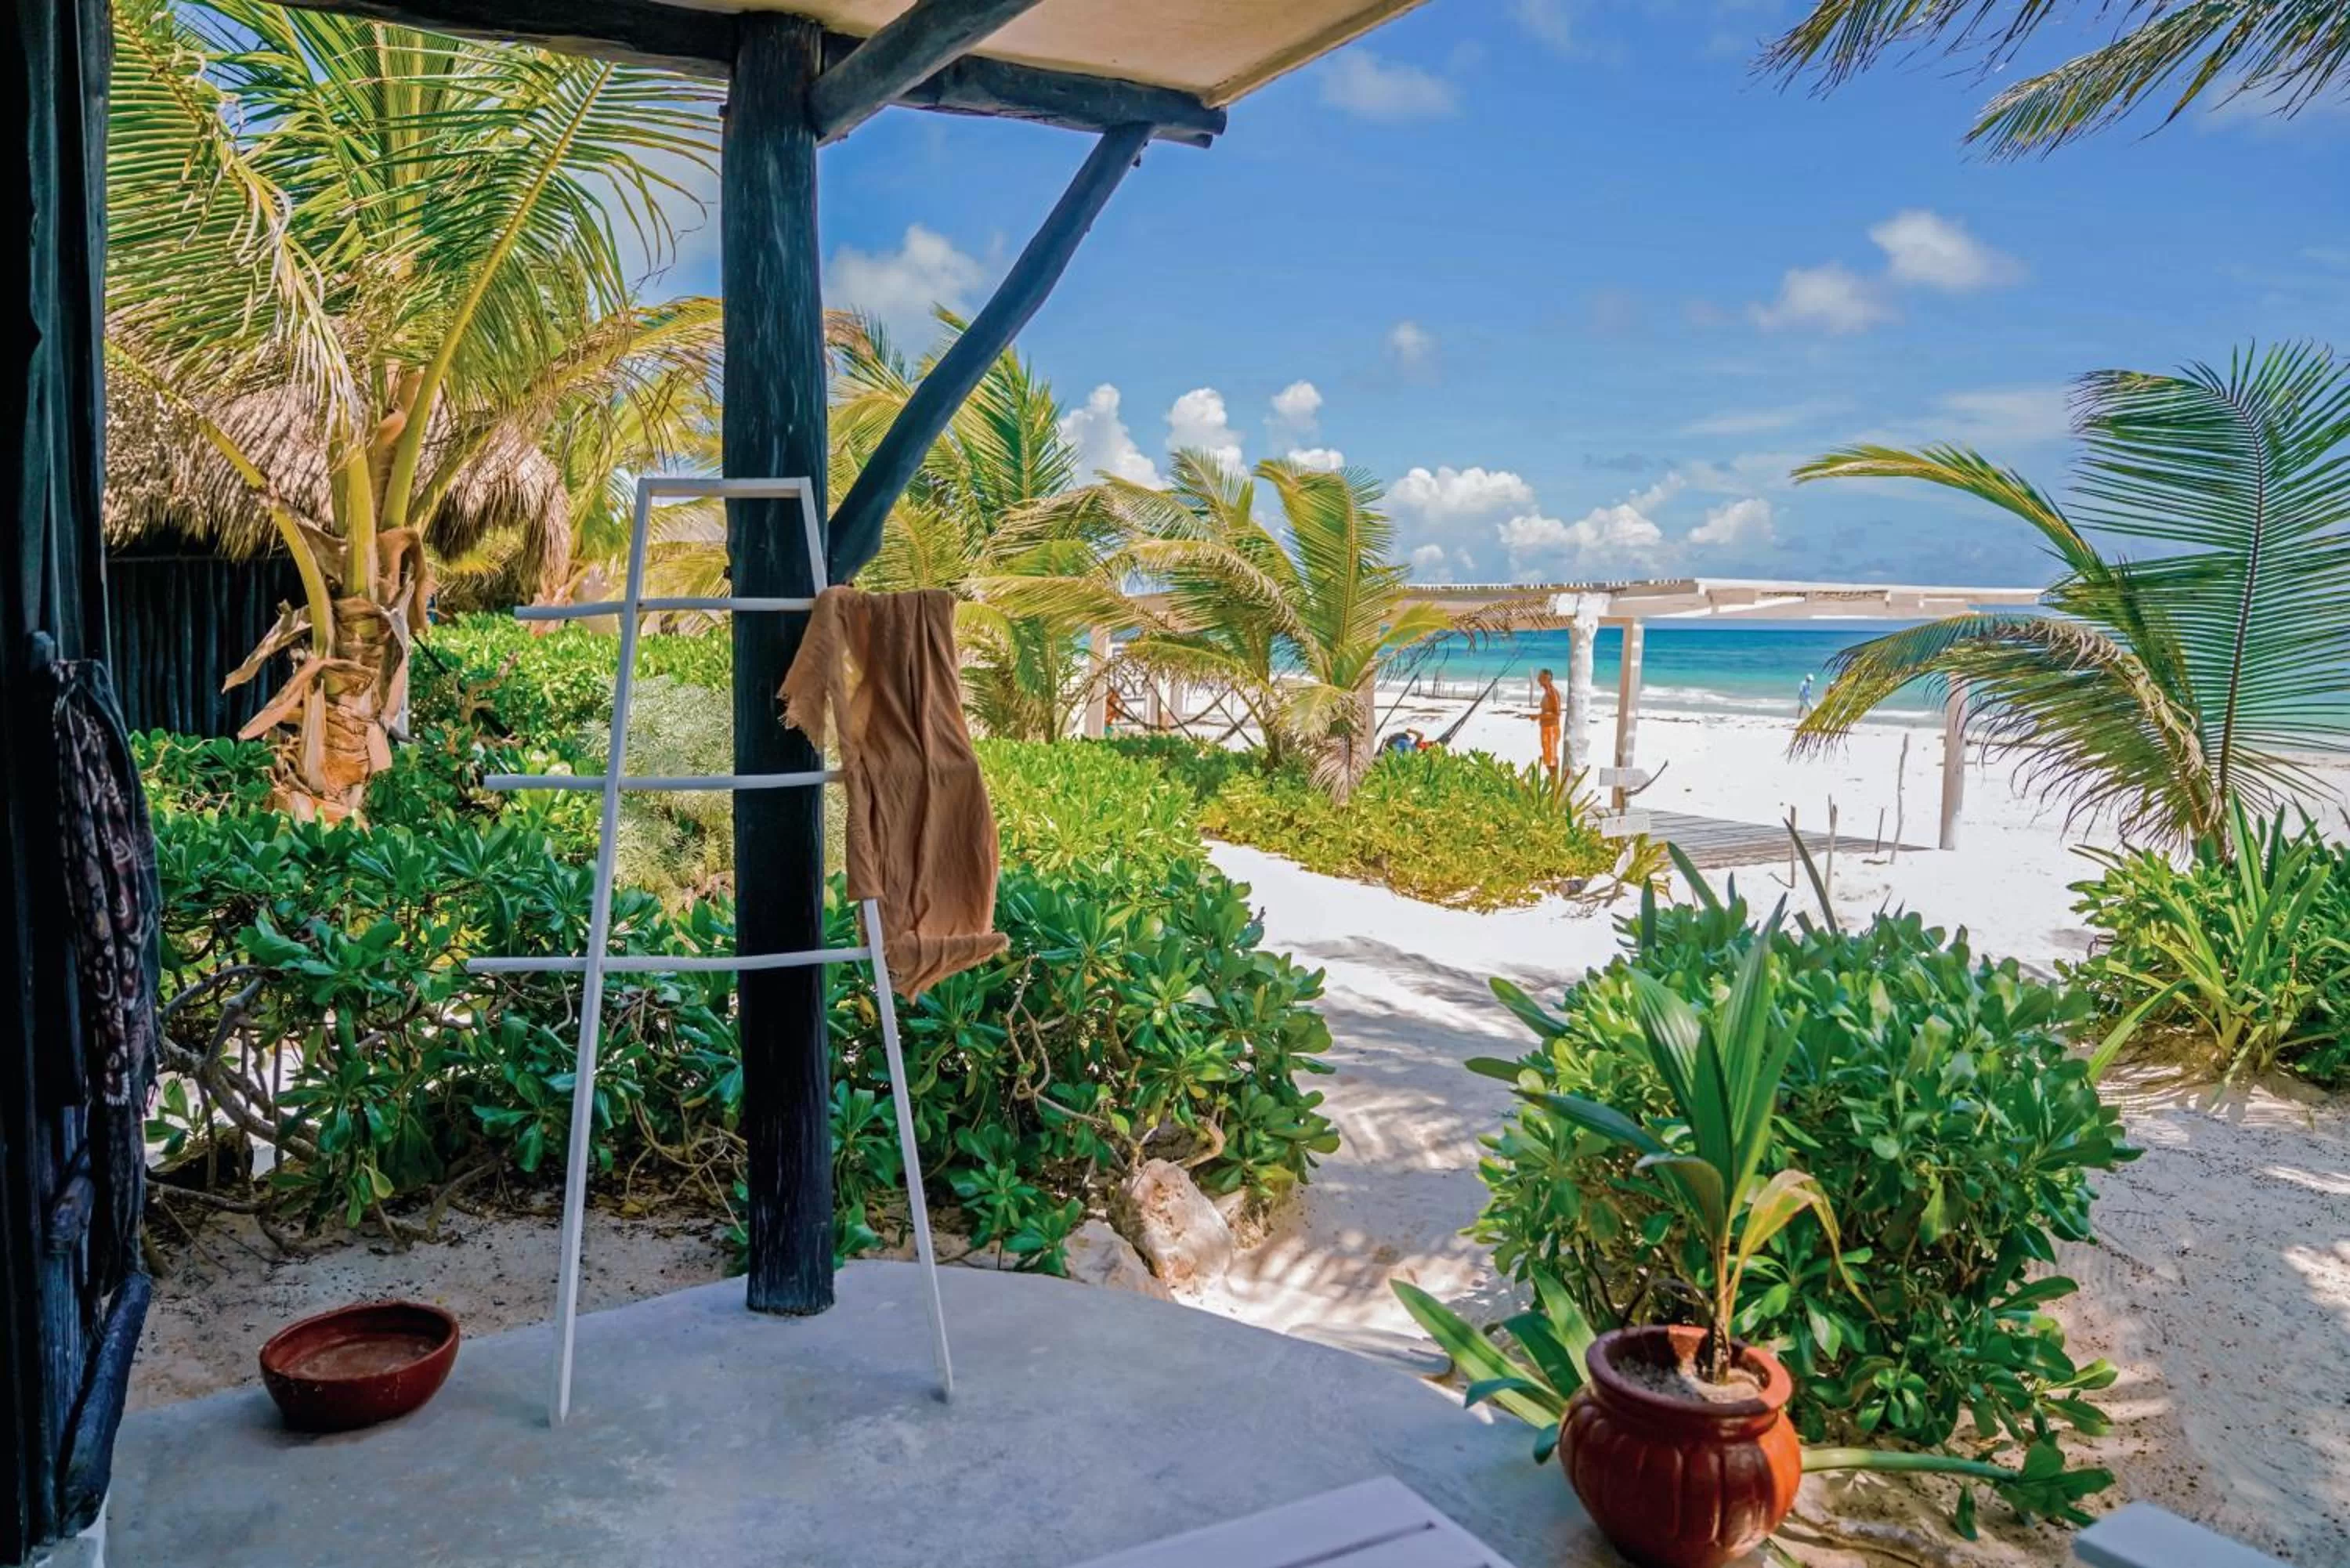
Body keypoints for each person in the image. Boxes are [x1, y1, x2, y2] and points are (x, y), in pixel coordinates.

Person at [1535, 668, 1562, 777]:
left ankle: (1555, 786)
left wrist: (1539, 716)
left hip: (1551, 729)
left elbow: (1557, 713)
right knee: (1548, 759)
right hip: (1546, 729)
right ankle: (1553, 785)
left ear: (1547, 678)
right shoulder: (1547, 693)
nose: (1538, 679)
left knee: (1551, 760)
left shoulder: (1552, 693)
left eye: (1540, 677)